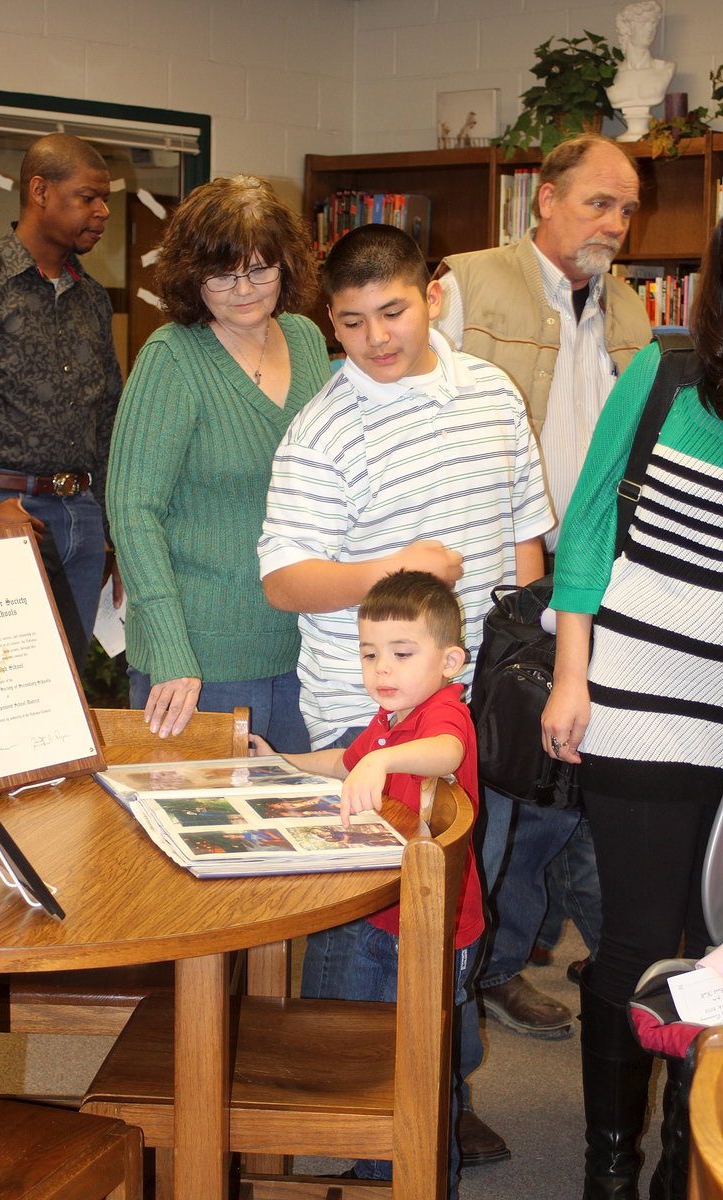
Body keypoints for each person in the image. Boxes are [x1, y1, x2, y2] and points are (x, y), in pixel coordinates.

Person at [258, 222, 553, 1187]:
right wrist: (396, 567)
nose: (376, 338)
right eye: (350, 322)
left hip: (480, 714)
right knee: (367, 930)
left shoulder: (493, 394)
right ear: (329, 324)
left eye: (393, 310)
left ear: (433, 291)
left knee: (459, 915)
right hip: (370, 710)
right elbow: (287, 581)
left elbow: (522, 547)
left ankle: (441, 1098)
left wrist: (524, 664)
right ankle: (354, 1129)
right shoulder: (323, 427)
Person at [434, 133, 652, 1051]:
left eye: (627, 207)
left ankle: (508, 960)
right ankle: (473, 981)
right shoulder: (469, 284)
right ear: (544, 202)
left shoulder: (631, 304)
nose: (615, 222)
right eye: (599, 202)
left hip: (598, 579)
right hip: (503, 581)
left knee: (567, 789)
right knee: (505, 793)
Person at [541, 217, 723, 1200]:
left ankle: (682, 1165)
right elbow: (586, 523)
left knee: (714, 959)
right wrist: (571, 675)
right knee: (638, 940)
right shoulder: (660, 375)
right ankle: (607, 1170)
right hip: (641, 701)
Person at [251, 568, 483, 1186]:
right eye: (370, 653)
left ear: (450, 660)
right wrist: (281, 763)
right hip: (388, 909)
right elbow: (341, 761)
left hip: (429, 924)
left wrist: (380, 758)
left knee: (412, 1065)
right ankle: (380, 1168)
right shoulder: (390, 717)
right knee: (375, 1049)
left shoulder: (444, 713)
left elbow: (448, 756)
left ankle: (417, 1178)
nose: (383, 669)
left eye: (403, 654)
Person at [108, 174, 330, 749]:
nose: (244, 289)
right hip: (199, 657)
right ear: (191, 274)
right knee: (204, 830)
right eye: (222, 274)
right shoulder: (172, 359)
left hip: (303, 644)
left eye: (260, 269)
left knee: (295, 827)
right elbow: (133, 512)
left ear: (287, 265)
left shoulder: (306, 340)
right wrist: (171, 649)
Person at [0, 133, 121, 670]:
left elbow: (108, 419)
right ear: (39, 190)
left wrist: (113, 529)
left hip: (82, 518)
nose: (102, 211)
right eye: (88, 197)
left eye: (105, 198)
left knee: (70, 688)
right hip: (2, 514)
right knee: (4, 688)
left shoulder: (92, 298)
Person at [607, 0, 675, 140]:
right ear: (627, 29)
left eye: (653, 24)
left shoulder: (665, 69)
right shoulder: (613, 74)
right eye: (643, 23)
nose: (650, 29)